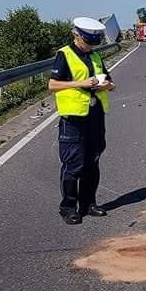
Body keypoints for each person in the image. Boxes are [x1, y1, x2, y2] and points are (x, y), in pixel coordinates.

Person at [48, 17, 115, 224]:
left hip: (95, 117)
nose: (90, 46)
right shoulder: (64, 55)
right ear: (76, 36)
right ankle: (68, 207)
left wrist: (105, 85)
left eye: (93, 43)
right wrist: (82, 83)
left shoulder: (94, 56)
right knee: (73, 165)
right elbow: (52, 85)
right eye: (87, 42)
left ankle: (89, 204)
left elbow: (110, 82)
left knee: (92, 163)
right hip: (74, 119)